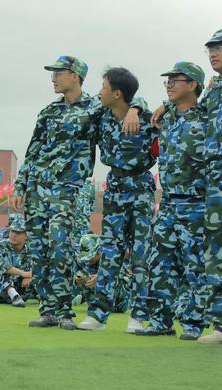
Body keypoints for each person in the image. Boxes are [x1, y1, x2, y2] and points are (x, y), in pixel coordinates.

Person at [13, 56, 142, 331]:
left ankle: (64, 310)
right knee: (39, 251)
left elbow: (129, 100)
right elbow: (32, 149)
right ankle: (48, 310)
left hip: (66, 187)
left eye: (59, 73)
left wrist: (135, 111)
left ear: (75, 76)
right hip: (37, 187)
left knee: (60, 246)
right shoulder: (48, 111)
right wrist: (20, 185)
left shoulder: (96, 107)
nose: (53, 78)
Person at [77, 67, 158, 333]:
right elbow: (82, 110)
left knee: (140, 254)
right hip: (114, 188)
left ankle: (138, 316)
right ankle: (98, 315)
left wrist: (135, 109)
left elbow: (151, 109)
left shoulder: (146, 119)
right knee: (110, 251)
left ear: (117, 93)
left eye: (104, 86)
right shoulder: (101, 115)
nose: (99, 91)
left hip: (141, 188)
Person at [136, 62, 209, 340]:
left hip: (197, 201)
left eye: (175, 80)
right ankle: (160, 321)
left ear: (192, 85)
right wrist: (164, 106)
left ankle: (193, 324)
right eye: (167, 80)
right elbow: (134, 104)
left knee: (195, 264)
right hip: (168, 202)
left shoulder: (207, 116)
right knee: (161, 262)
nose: (169, 84)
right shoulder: (165, 119)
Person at [196, 29, 222, 345]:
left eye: (220, 47)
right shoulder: (212, 94)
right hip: (215, 184)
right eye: (209, 48)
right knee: (217, 254)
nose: (213, 53)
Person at [0, 217, 35, 308]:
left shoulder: (31, 249)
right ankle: (14, 295)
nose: (13, 235)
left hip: (22, 289)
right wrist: (24, 274)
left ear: (26, 235)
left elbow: (39, 266)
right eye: (12, 231)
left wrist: (30, 277)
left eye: (18, 233)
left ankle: (48, 300)